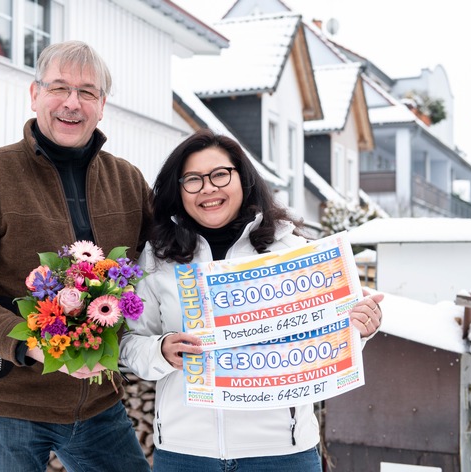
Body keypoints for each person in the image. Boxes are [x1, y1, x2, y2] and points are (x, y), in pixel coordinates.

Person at [0, 40, 152, 472]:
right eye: (59, 88)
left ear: (102, 105)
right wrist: (34, 344)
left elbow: (165, 261)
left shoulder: (128, 181)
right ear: (34, 95)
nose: (73, 102)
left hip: (99, 402)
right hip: (10, 402)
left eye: (88, 92)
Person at [119, 129, 384, 472]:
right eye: (193, 180)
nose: (209, 188)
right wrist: (162, 351)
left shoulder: (290, 250)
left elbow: (327, 341)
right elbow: (129, 343)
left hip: (281, 451)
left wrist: (361, 328)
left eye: (220, 175)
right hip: (186, 452)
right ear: (179, 190)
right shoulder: (159, 257)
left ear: (243, 179)